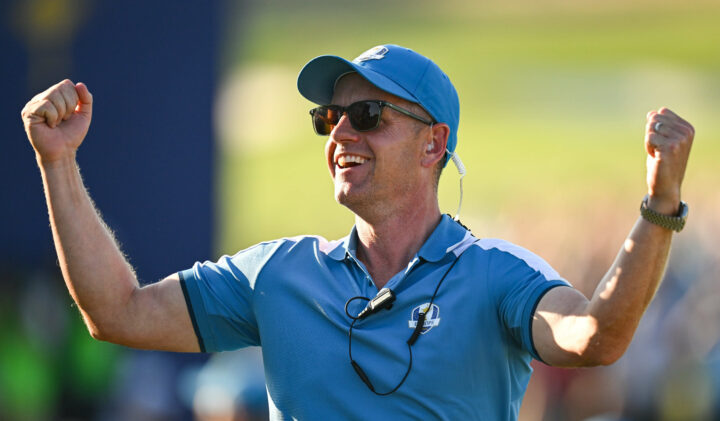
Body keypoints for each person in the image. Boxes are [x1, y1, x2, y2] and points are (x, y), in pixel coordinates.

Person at [21, 44, 694, 420]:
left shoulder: (496, 274)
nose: (341, 131)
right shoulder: (276, 273)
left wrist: (659, 204)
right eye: (329, 118)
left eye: (367, 114)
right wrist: (59, 164)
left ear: (434, 145)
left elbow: (597, 335)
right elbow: (116, 311)